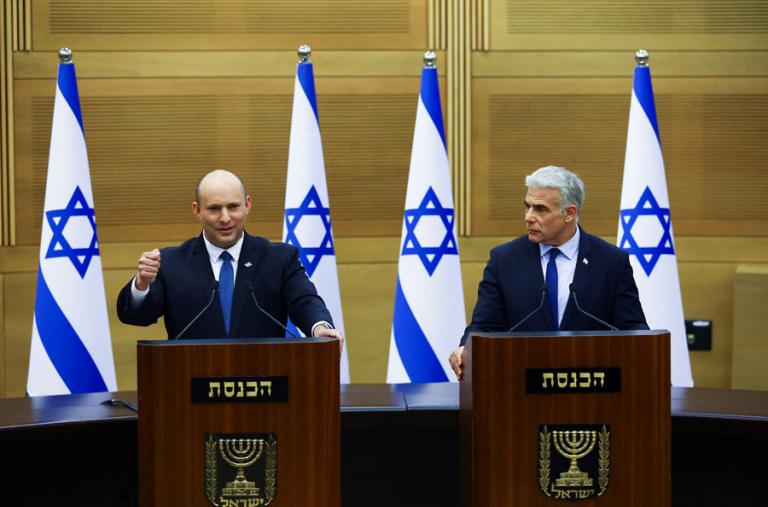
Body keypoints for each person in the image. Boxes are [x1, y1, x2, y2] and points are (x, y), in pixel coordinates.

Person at [448, 166, 647, 379]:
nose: (528, 217)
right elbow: (484, 325)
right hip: (519, 386)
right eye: (527, 207)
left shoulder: (610, 261)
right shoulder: (504, 260)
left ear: (569, 213)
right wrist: (466, 349)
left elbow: (632, 327)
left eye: (540, 209)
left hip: (592, 389)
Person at [116, 169, 342, 343]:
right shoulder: (172, 263)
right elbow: (137, 317)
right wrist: (142, 284)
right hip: (190, 387)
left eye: (233, 207)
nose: (225, 218)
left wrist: (319, 326)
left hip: (264, 386)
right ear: (197, 210)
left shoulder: (279, 259)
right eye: (214, 209)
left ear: (247, 205)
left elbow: (304, 301)